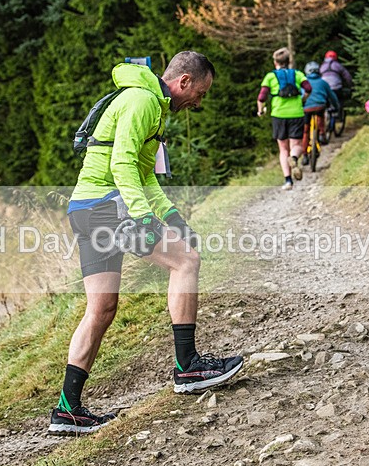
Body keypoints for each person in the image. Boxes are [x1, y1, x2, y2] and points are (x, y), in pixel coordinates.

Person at [49, 51, 244, 436]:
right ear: (184, 81)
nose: (198, 103)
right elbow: (122, 163)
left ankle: (67, 410)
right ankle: (187, 366)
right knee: (186, 261)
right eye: (200, 92)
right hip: (109, 205)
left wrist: (170, 216)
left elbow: (143, 173)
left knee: (101, 309)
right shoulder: (142, 101)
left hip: (85, 208)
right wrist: (141, 216)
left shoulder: (148, 102)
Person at [256, 47, 312, 191]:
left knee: (283, 149)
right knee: (297, 145)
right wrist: (303, 99)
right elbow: (308, 88)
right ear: (289, 61)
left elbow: (262, 97)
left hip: (279, 115)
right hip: (296, 113)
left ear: (275, 62)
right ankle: (294, 158)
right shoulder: (298, 74)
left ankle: (288, 181)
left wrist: (260, 110)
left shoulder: (270, 76)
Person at [301, 61, 339, 161]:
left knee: (305, 132)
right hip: (319, 106)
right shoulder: (323, 82)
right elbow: (332, 97)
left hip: (306, 109)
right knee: (320, 116)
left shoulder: (303, 83)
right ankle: (322, 134)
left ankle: (304, 155)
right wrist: (337, 107)